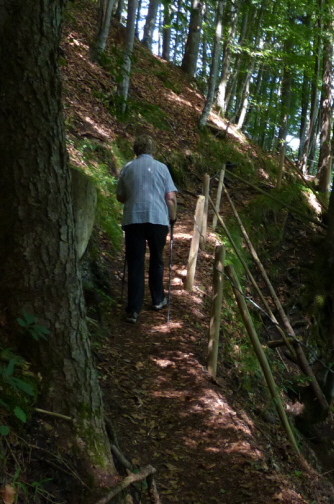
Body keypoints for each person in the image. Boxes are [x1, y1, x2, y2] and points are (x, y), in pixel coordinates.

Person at [116, 135, 177, 323]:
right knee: (157, 260)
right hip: (158, 220)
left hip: (134, 219)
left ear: (135, 150)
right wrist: (172, 217)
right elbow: (170, 198)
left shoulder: (127, 168)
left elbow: (120, 196)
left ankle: (133, 309)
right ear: (153, 150)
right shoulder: (162, 168)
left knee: (135, 263)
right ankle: (158, 300)